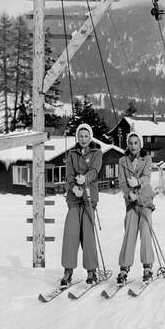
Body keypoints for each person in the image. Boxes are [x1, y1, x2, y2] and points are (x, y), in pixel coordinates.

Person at [60, 123, 102, 288]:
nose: (83, 139)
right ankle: (68, 270)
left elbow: (94, 170)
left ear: (90, 137)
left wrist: (85, 179)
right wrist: (74, 187)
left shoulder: (97, 152)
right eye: (80, 136)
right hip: (74, 198)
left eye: (86, 136)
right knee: (71, 233)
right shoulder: (71, 154)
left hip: (89, 198)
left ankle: (91, 270)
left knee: (87, 233)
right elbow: (69, 175)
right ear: (77, 137)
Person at [116, 131, 155, 285]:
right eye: (130, 143)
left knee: (145, 232)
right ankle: (124, 268)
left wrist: (137, 182)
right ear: (128, 144)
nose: (133, 146)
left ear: (140, 144)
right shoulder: (122, 161)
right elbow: (121, 182)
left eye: (136, 143)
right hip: (132, 202)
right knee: (130, 233)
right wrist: (128, 194)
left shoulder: (147, 159)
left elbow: (147, 177)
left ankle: (147, 266)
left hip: (145, 200)